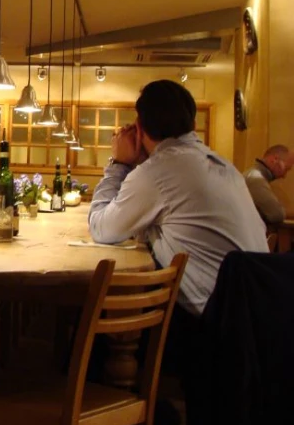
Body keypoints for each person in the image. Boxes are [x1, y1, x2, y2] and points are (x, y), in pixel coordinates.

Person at [89, 80, 268, 316]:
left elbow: (101, 229)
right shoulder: (224, 165)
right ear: (193, 124)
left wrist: (119, 163)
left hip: (215, 323)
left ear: (139, 127)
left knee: (98, 317)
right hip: (262, 315)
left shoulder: (158, 170)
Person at [244, 144, 293, 224]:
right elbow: (276, 214)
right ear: (275, 159)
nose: (284, 176)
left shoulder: (253, 175)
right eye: (286, 169)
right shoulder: (256, 178)